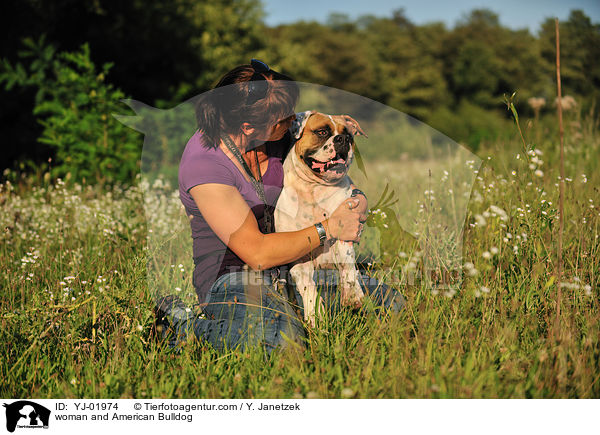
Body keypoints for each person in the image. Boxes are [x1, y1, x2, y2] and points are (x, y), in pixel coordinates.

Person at [155, 59, 405, 353]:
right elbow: (257, 253)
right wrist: (330, 227)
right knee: (278, 343)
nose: (295, 122)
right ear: (248, 126)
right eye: (286, 119)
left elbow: (331, 170)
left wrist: (356, 200)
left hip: (300, 265)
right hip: (236, 275)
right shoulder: (205, 163)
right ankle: (183, 325)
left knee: (391, 307)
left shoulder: (278, 135)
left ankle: (289, 314)